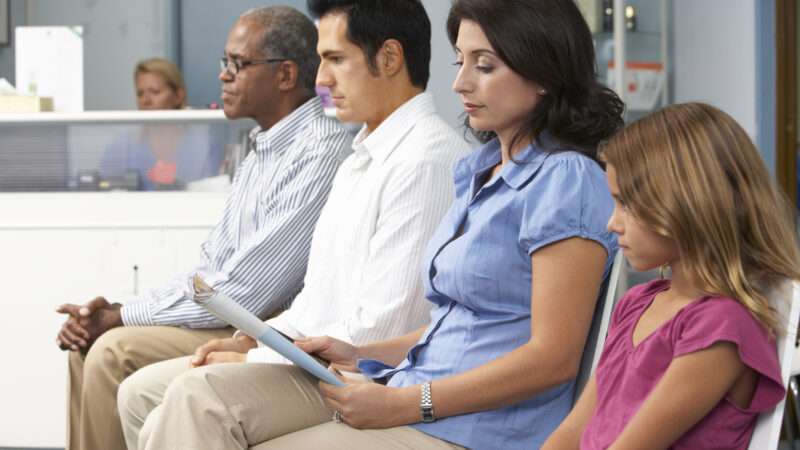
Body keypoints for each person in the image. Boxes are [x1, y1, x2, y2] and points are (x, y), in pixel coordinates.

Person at [128, 0, 624, 449]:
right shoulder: (481, 171)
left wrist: (410, 403)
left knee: (204, 408)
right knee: (184, 406)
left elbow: (553, 358)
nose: (460, 84)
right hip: (415, 394)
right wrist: (358, 352)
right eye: (461, 62)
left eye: (485, 66)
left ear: (545, 74)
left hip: (474, 427)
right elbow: (450, 329)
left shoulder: (566, 180)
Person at [55, 7, 352, 450]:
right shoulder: (262, 151)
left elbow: (247, 291)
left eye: (237, 64)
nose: (224, 77)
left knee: (111, 352)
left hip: (263, 328)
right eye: (224, 63)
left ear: (287, 74)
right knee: (86, 345)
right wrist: (119, 308)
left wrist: (120, 316)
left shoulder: (320, 147)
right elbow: (210, 268)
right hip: (232, 315)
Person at [542, 103, 800, 449]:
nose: (612, 223)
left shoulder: (723, 328)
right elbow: (574, 430)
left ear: (688, 205)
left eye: (626, 205)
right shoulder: (636, 303)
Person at [99, 58, 221, 190]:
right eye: (140, 93)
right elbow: (103, 189)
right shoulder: (123, 145)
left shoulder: (204, 145)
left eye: (155, 92)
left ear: (178, 96)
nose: (145, 100)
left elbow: (212, 194)